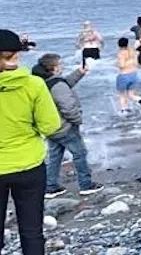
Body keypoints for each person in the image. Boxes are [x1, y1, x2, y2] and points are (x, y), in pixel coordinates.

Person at [0, 30, 62, 255]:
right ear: (17, 54)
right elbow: (51, 126)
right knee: (32, 232)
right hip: (29, 164)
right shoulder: (34, 84)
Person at [30, 54, 104, 199]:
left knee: (55, 156)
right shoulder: (57, 86)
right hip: (65, 128)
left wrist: (79, 73)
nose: (62, 66)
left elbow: (64, 83)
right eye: (60, 64)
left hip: (51, 128)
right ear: (54, 68)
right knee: (80, 154)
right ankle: (86, 184)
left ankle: (51, 186)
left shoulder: (43, 82)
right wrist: (77, 120)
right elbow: (67, 105)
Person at [116, 38, 141, 114]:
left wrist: (116, 64)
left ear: (119, 45)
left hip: (124, 75)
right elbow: (137, 64)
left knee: (122, 95)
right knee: (131, 94)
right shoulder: (132, 52)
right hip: (133, 74)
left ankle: (124, 110)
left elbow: (122, 65)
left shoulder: (121, 53)